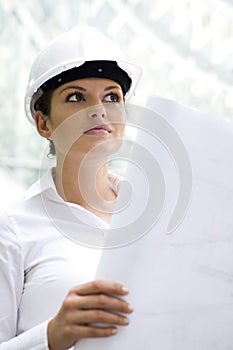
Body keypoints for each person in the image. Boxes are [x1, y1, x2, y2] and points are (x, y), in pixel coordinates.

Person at [0, 25, 142, 349]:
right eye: (76, 97)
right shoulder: (12, 227)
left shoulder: (155, 217)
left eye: (112, 96)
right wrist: (52, 335)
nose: (99, 109)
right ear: (43, 123)